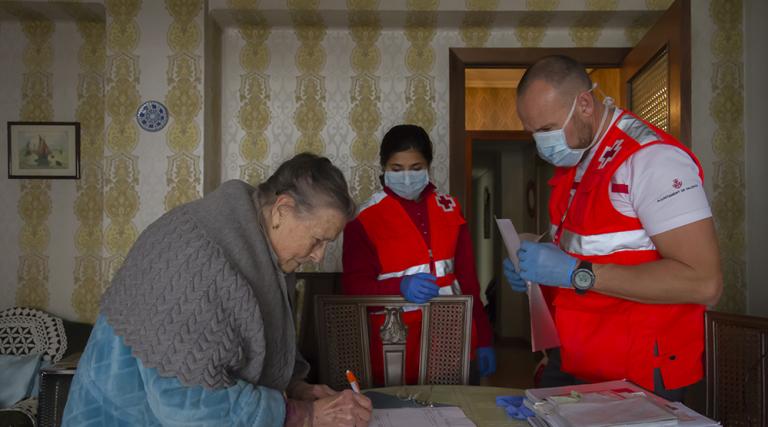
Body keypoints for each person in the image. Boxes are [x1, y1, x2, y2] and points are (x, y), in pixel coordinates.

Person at [62, 153, 372, 427]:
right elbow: (190, 406)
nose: (319, 256)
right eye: (317, 240)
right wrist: (306, 415)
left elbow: (247, 349)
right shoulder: (198, 262)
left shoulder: (259, 244)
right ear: (282, 210)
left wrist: (298, 389)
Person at [504, 55, 723, 401]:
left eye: (546, 130)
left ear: (585, 104)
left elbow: (703, 282)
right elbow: (592, 245)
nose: (540, 143)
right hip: (578, 355)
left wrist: (576, 274)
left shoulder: (652, 160)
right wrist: (533, 257)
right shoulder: (581, 158)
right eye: (532, 133)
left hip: (638, 368)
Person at [342, 124, 496, 385]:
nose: (406, 177)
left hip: (452, 334)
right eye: (396, 169)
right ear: (383, 167)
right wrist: (399, 287)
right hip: (396, 341)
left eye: (416, 168)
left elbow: (468, 280)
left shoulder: (449, 208)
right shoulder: (364, 219)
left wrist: (484, 337)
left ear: (428, 166)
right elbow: (353, 288)